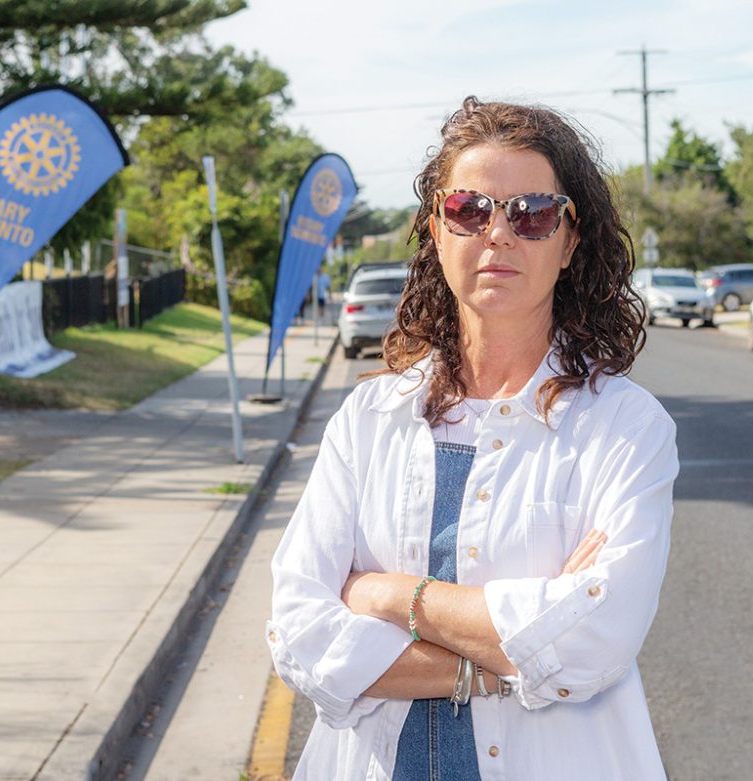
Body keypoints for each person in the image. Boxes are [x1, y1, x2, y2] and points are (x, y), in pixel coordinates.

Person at [267, 96, 679, 780]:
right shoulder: (367, 420)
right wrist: (503, 662)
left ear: (571, 239)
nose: (499, 233)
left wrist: (391, 597)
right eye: (470, 208)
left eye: (534, 213)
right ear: (437, 227)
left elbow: (595, 640)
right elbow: (299, 636)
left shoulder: (624, 427)